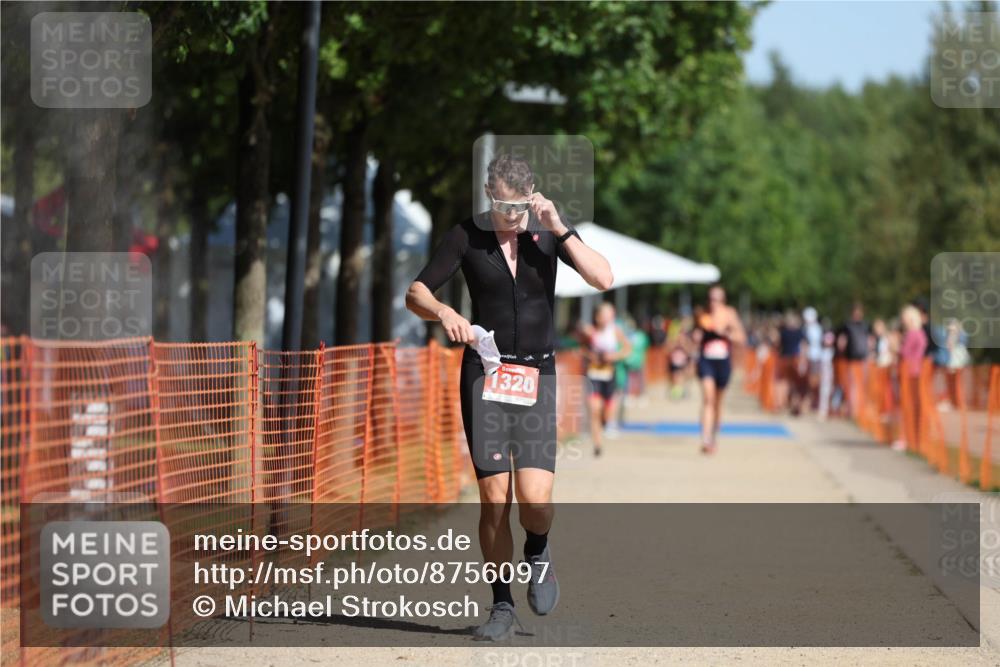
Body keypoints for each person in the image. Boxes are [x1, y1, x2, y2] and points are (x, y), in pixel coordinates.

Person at [405, 154, 612, 641]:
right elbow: (416, 291)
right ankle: (501, 605)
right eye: (501, 204)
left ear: (533, 194)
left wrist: (560, 227)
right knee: (494, 500)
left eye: (518, 205)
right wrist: (442, 312)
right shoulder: (465, 236)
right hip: (485, 375)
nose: (510, 215)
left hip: (537, 376)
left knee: (534, 499)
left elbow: (603, 278)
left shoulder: (547, 233)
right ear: (487, 193)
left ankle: (537, 549)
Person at [692, 284, 747, 454]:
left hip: (723, 362)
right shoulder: (702, 315)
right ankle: (705, 438)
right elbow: (694, 337)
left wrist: (725, 333)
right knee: (708, 398)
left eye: (717, 299)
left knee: (717, 402)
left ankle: (713, 437)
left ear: (723, 300)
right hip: (706, 360)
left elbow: (741, 338)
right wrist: (697, 336)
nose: (713, 302)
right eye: (711, 298)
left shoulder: (729, 314)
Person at [580, 303, 631, 457]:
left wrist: (612, 356)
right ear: (598, 317)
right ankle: (597, 444)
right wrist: (591, 356)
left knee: (605, 414)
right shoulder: (590, 332)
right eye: (604, 315)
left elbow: (627, 349)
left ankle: (604, 425)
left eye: (610, 316)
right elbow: (581, 349)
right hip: (593, 375)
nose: (607, 319)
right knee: (594, 410)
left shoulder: (615, 331)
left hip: (609, 375)